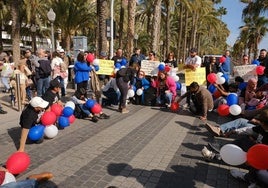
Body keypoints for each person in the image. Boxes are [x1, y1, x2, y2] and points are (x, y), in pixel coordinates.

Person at [202, 109, 268, 187]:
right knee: (243, 140)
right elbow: (249, 129)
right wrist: (234, 131)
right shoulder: (261, 127)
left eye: (261, 122)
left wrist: (253, 159)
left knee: (258, 172)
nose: (259, 123)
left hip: (264, 163)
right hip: (257, 151)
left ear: (264, 123)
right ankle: (221, 152)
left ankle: (249, 178)